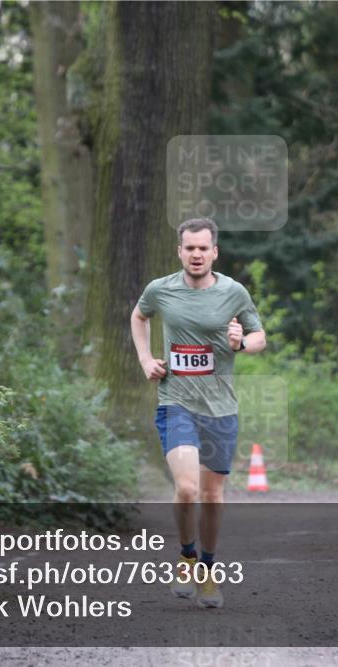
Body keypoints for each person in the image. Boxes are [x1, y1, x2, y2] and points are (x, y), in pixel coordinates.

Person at [130, 217, 266, 609]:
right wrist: (144, 358)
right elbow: (139, 317)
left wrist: (241, 343)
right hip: (176, 403)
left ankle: (207, 567)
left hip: (220, 408)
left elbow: (260, 336)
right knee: (187, 488)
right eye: (189, 248)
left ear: (214, 252)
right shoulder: (161, 290)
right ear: (179, 251)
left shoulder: (233, 292)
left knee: (211, 494)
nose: (196, 254)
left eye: (203, 248)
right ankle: (186, 557)